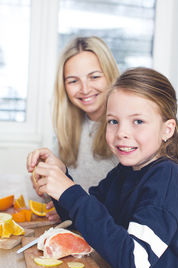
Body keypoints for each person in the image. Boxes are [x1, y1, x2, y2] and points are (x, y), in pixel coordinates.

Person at [27, 67, 178, 268]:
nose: (122, 133)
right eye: (113, 121)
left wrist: (70, 192)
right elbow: (85, 217)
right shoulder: (126, 170)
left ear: (167, 130)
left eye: (138, 121)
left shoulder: (166, 180)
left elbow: (133, 261)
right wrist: (61, 177)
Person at [27, 36, 119, 220]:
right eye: (73, 81)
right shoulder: (69, 128)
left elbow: (125, 205)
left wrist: (73, 207)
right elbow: (58, 199)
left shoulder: (127, 132)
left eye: (94, 77)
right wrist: (47, 180)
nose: (85, 89)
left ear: (111, 76)